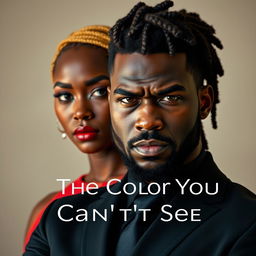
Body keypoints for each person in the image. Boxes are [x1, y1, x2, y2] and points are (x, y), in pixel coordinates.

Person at [24, 1, 256, 255]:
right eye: (127, 99)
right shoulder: (58, 222)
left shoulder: (246, 223)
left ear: (204, 102)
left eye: (169, 98)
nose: (146, 120)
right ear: (112, 103)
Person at [23, 25, 126, 250]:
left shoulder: (165, 200)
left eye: (98, 91)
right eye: (65, 96)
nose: (80, 111)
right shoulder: (47, 209)